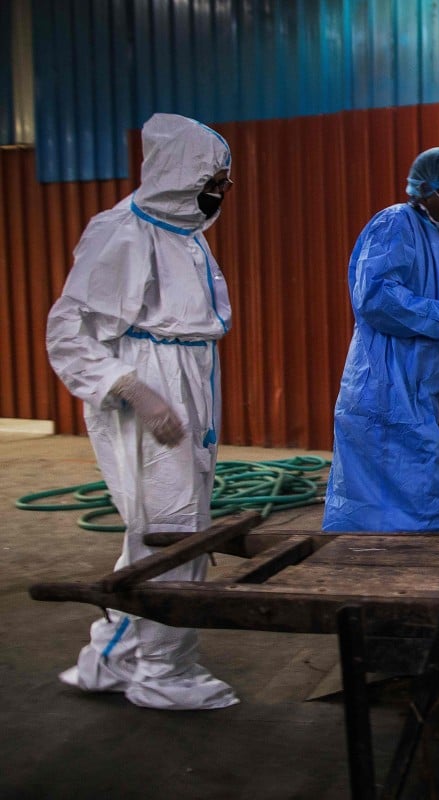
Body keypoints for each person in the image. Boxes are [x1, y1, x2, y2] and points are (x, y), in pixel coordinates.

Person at [45, 113, 238, 710]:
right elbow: (67, 331)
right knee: (169, 533)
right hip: (148, 381)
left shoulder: (182, 233)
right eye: (215, 177)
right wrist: (133, 389)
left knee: (170, 530)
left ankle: (110, 658)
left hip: (189, 376)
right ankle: (161, 670)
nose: (223, 189)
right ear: (182, 175)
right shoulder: (121, 233)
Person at [323, 147, 439, 532]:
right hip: (384, 381)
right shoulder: (395, 225)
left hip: (432, 383)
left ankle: (429, 576)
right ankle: (375, 575)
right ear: (426, 190)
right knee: (387, 494)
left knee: (437, 482)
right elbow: (375, 296)